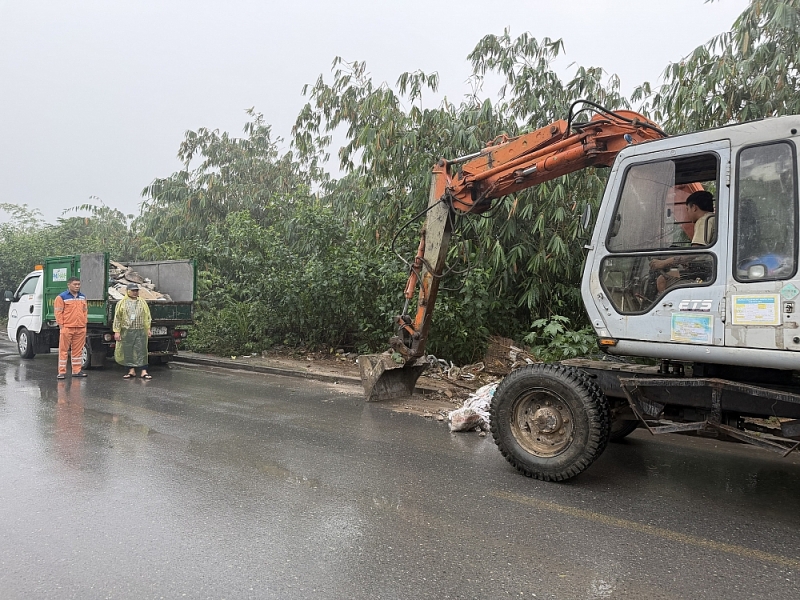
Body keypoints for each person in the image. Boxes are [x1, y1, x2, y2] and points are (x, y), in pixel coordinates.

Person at [649, 190, 716, 292]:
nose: (687, 213)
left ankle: (668, 305)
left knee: (662, 280)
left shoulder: (704, 221)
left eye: (687, 209)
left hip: (705, 272)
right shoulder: (713, 219)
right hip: (706, 268)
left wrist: (664, 263)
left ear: (694, 207)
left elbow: (695, 252)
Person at [113, 283, 153, 379]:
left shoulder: (142, 302)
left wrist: (148, 329)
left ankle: (144, 371)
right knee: (128, 351)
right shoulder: (122, 303)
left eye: (136, 290)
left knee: (142, 350)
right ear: (128, 291)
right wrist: (117, 331)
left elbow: (147, 316)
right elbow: (118, 318)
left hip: (140, 330)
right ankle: (131, 370)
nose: (135, 292)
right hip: (127, 331)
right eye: (133, 290)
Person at [54, 276, 88, 379]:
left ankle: (77, 371)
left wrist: (84, 324)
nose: (77, 286)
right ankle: (62, 372)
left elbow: (85, 311)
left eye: (79, 284)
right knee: (63, 350)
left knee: (78, 351)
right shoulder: (61, 297)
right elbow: (58, 312)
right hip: (67, 327)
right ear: (69, 285)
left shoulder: (82, 297)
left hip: (80, 327)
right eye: (75, 284)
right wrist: (61, 326)